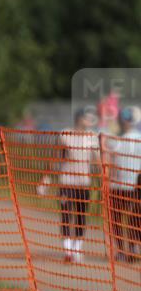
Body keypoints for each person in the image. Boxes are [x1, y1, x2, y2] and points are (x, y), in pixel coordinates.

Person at [38, 107, 100, 263]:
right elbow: (55, 157)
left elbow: (97, 161)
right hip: (66, 181)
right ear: (79, 119)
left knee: (81, 216)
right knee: (66, 215)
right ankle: (67, 250)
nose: (88, 121)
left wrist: (103, 179)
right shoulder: (65, 134)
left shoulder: (92, 137)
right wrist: (45, 179)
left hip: (83, 183)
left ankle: (77, 248)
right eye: (86, 118)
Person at [107, 106, 141, 262]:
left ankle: (121, 250)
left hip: (118, 186)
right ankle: (134, 247)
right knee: (136, 218)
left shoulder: (117, 141)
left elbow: (111, 162)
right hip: (134, 185)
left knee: (116, 219)